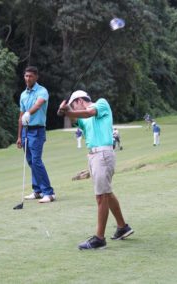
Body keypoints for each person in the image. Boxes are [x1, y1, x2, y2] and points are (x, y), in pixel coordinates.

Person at [57, 90, 133, 250]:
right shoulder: (84, 119)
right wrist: (65, 112)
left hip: (103, 154)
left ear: (79, 101)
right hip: (94, 156)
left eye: (73, 105)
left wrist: (69, 110)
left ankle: (99, 239)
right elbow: (75, 118)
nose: (73, 108)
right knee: (107, 193)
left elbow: (88, 112)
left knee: (101, 197)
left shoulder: (101, 104)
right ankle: (122, 227)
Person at [16, 66, 55, 203]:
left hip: (37, 130)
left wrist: (29, 113)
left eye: (30, 76)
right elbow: (20, 116)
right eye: (26, 76)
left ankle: (49, 193)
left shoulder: (42, 91)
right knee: (31, 162)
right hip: (26, 131)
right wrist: (19, 136)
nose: (28, 78)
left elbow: (38, 105)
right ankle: (37, 190)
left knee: (37, 161)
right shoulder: (23, 94)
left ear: (36, 77)